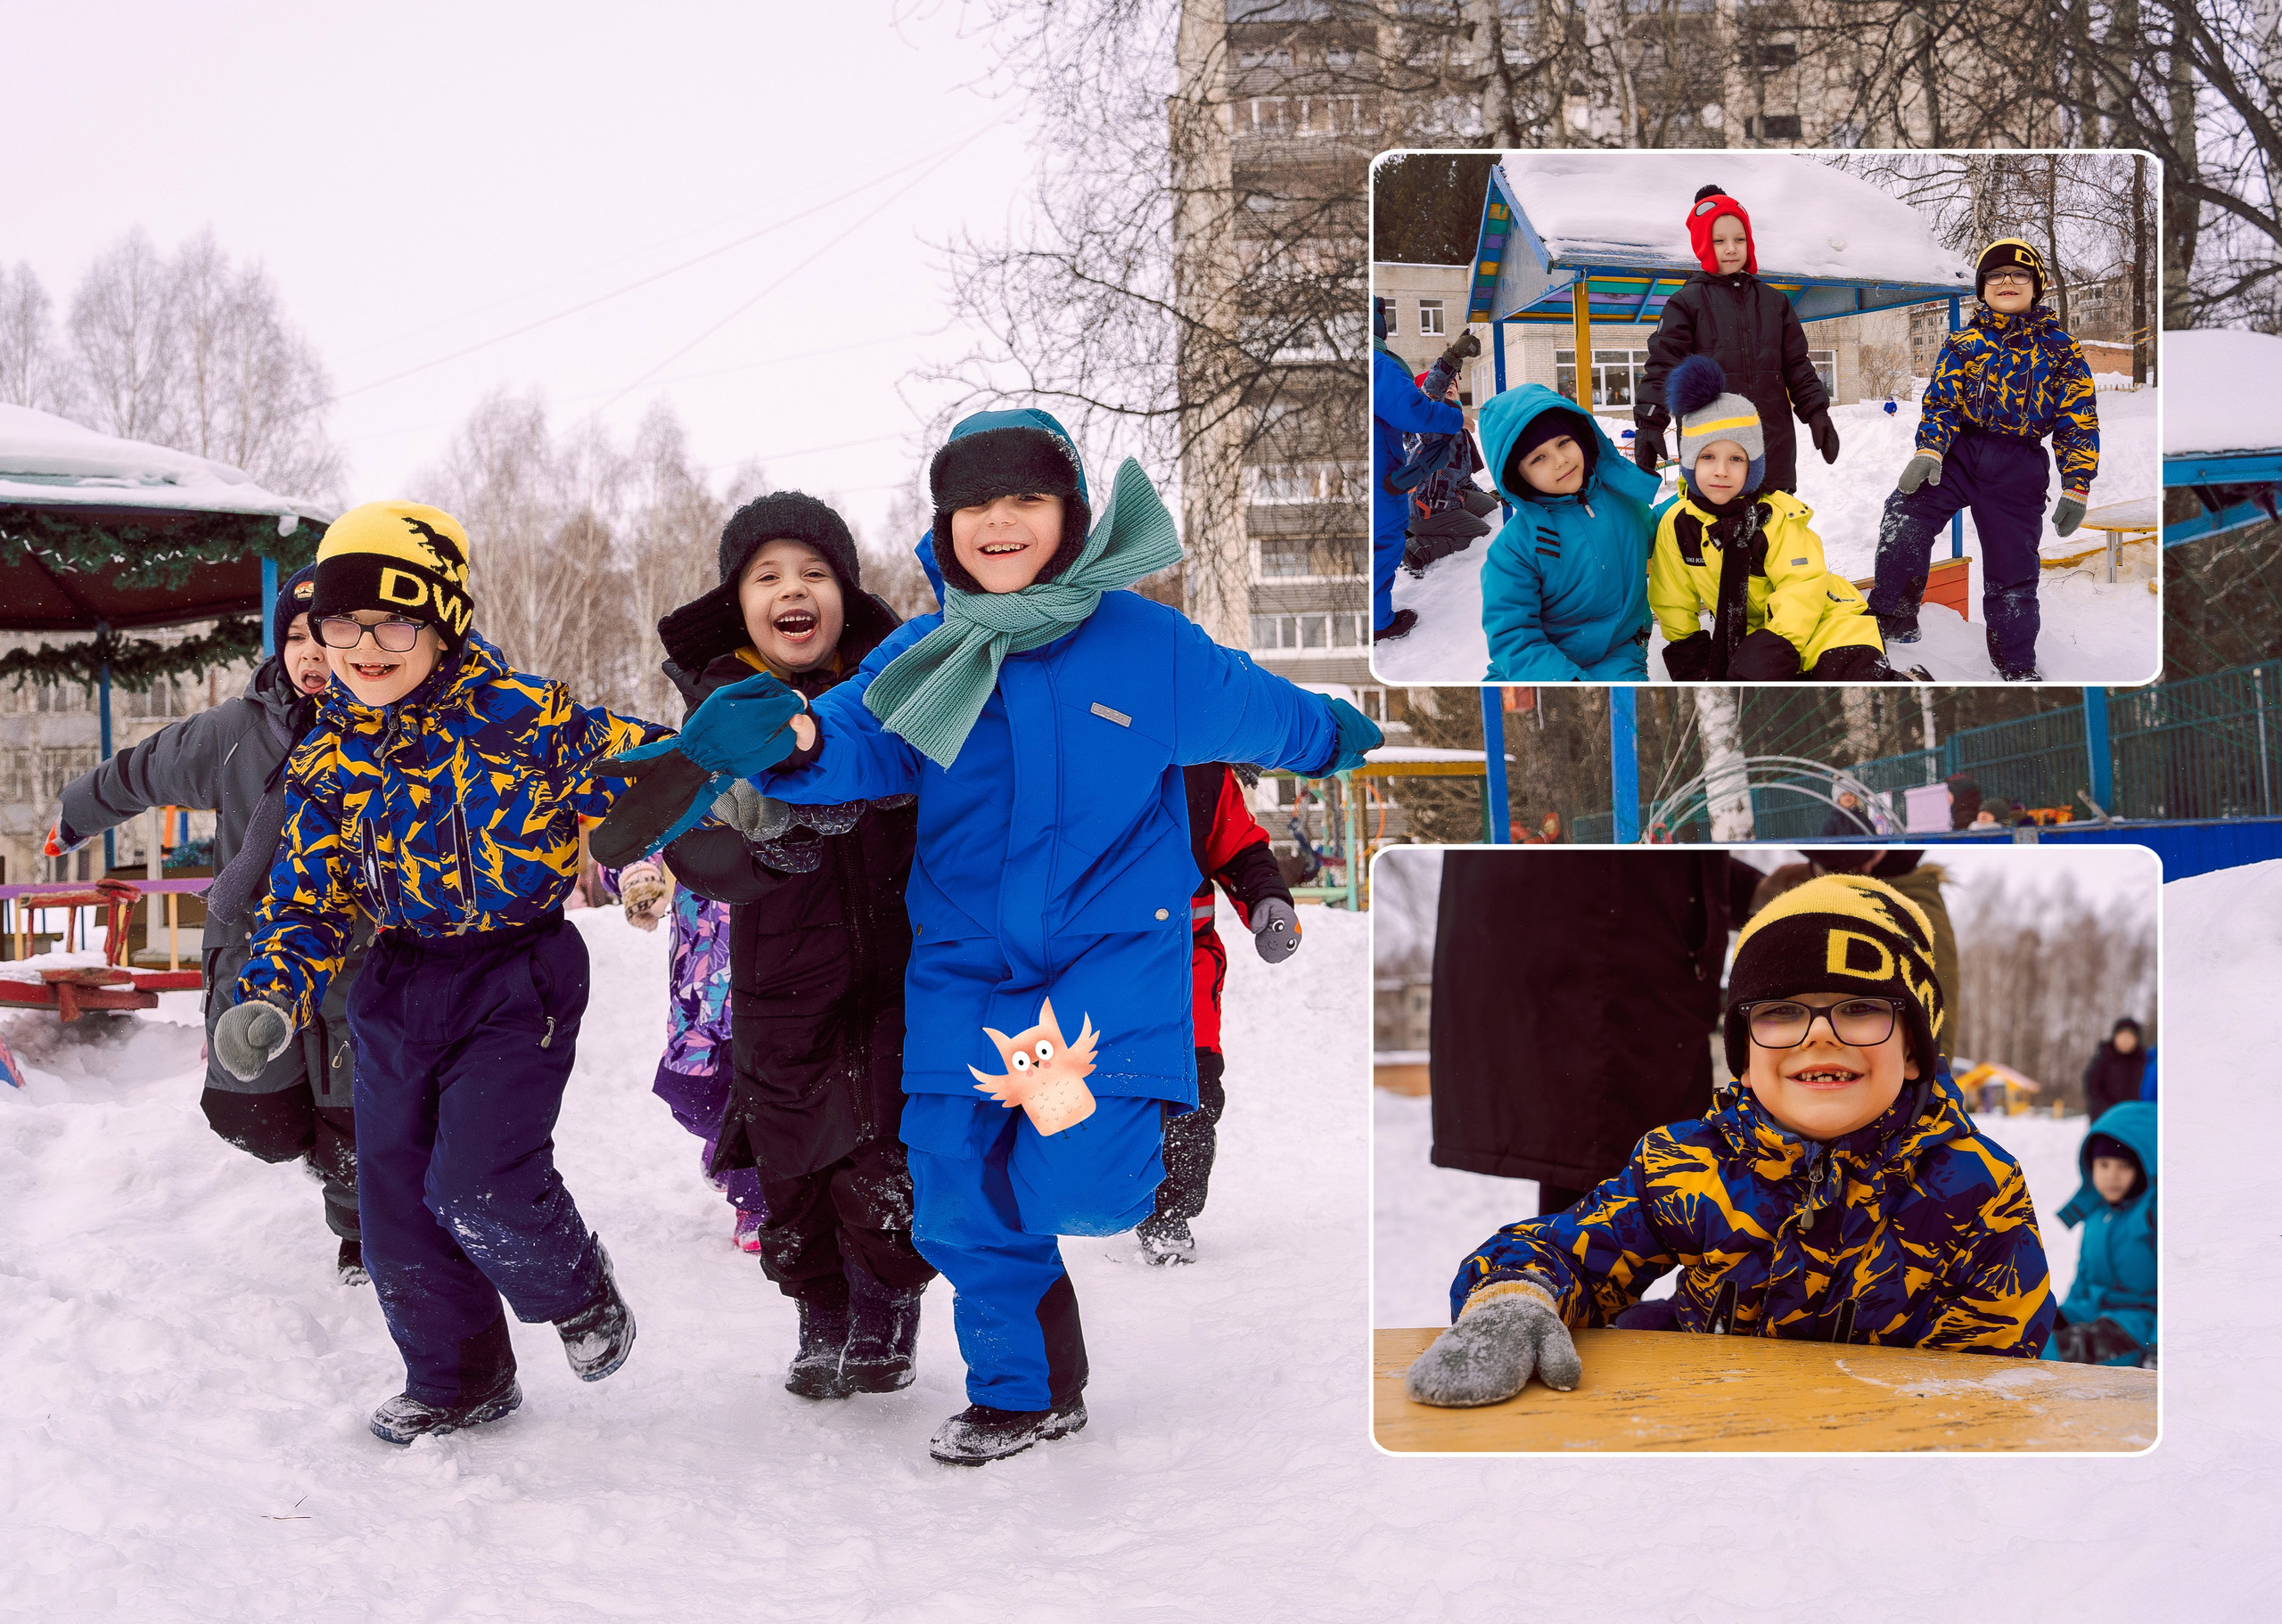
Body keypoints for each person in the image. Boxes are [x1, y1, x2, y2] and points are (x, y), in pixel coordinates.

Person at [595, 409, 1379, 1464]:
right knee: (957, 1204)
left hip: (1091, 975)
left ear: (1070, 518)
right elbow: (860, 747)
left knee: (1082, 1185)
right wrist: (795, 734)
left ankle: (1053, 1252)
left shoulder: (1145, 647)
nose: (997, 523)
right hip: (964, 975)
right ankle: (1024, 1392)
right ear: (946, 526)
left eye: (1024, 502)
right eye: (975, 507)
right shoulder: (928, 653)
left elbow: (1266, 712)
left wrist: (1337, 733)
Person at [213, 501, 660, 1445]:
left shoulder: (528, 717)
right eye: (342, 623)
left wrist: (725, 784)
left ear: (442, 618)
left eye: (394, 620)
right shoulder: (330, 755)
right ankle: (458, 1377)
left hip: (516, 972)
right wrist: (270, 993)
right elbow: (307, 898)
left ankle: (577, 1290)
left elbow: (650, 770)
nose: (365, 644)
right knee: (395, 1200)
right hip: (398, 978)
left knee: (479, 1181)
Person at [1405, 873, 2051, 1407]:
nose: (1818, 1035)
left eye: (1859, 1008)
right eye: (1780, 1012)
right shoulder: (1687, 1165)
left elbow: (1992, 1377)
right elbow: (1564, 1248)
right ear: (1744, 1058)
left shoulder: (1976, 1187)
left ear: (1914, 1051)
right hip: (1709, 1431)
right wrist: (1515, 1297)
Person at [648, 491, 938, 1401]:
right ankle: (819, 1313)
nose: (792, 589)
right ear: (738, 604)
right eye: (767, 575)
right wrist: (752, 847)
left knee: (884, 1167)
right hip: (781, 982)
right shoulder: (721, 717)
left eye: (814, 573)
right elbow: (691, 842)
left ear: (846, 598)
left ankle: (886, 1311)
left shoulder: (899, 695)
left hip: (898, 969)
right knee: (795, 1169)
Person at [49, 565, 371, 1284]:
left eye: (328, 636)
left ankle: (361, 1229)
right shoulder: (238, 731)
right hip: (255, 952)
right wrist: (78, 810)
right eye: (295, 637)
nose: (312, 654)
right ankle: (323, 1154)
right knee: (251, 1110)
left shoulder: (391, 731)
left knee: (354, 1109)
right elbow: (145, 768)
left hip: (359, 958)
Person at [1429, 849, 1762, 1215]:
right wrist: (1829, 868)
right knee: (1613, 1186)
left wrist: (1748, 890)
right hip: (1607, 963)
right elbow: (1625, 836)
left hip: (1593, 951)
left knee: (1606, 1180)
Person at [1868, 238, 2100, 682]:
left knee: (2013, 568)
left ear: (2038, 286)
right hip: (1959, 454)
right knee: (1905, 515)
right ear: (1982, 287)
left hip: (2019, 464)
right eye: (1995, 275)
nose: (2007, 281)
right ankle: (1895, 617)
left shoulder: (2062, 349)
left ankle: (2016, 664)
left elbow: (2079, 419)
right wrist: (1929, 449)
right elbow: (1941, 402)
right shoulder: (1964, 342)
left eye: (2019, 274)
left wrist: (2077, 484)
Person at [1129, 763, 1302, 1266]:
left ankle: (1168, 1215)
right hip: (1093, 968)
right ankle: (1104, 1198)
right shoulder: (1077, 748)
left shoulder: (1202, 771)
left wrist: (1267, 898)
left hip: (1187, 966)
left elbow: (1241, 847)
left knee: (1195, 1096)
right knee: (1110, 1093)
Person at [1648, 357, 1899, 682]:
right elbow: (1673, 596)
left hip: (1823, 621)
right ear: (1689, 462)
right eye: (1707, 457)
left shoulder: (1775, 516)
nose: (1721, 470)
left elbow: (1802, 584)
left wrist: (1775, 643)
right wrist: (1689, 652)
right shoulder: (1679, 524)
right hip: (1754, 634)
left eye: (1736, 459)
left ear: (1753, 467)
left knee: (1846, 680)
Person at [1633, 185, 1840, 496]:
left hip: (1772, 448)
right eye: (1719, 241)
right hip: (1713, 453)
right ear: (1703, 244)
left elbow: (1797, 365)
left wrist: (1817, 412)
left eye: (1739, 239)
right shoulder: (1686, 303)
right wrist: (1650, 422)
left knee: (1774, 538)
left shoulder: (1775, 303)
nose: (1731, 248)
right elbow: (1664, 365)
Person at [593, 857, 749, 1245]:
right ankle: (730, 1142)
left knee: (768, 1095)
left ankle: (759, 1202)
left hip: (768, 968)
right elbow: (642, 821)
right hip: (697, 976)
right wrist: (635, 874)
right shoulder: (704, 792)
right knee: (688, 1089)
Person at [1476, 384, 1661, 681]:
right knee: (1516, 722)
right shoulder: (1515, 548)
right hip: (1539, 668)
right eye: (1538, 458)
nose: (1560, 460)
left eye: (1563, 442)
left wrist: (1695, 501)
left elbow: (1660, 535)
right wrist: (1567, 682)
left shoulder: (1624, 502)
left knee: (1625, 715)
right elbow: (1513, 635)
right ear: (1516, 475)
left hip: (1618, 653)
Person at [1372, 297, 1467, 641]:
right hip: (1387, 484)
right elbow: (1416, 407)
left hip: (1388, 479)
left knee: (1381, 546)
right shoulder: (1376, 364)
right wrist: (1455, 418)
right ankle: (1378, 621)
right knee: (1382, 546)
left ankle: (1377, 617)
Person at [2046, 1101, 2156, 1368]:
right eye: (2104, 1165)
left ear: (2143, 1167)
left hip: (2136, 1324)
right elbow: (2084, 1277)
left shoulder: (2153, 1215)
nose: (2112, 1176)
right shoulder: (2096, 1215)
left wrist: (2158, 1347)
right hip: (2090, 1312)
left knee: (2060, 1355)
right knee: (2033, 1331)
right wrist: (2061, 1316)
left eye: (2124, 1167)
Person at [1398, 357, 1498, 576]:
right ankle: (1415, 549)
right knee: (1482, 533)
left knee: (1490, 506)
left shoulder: (1457, 428)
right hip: (1427, 508)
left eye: (1454, 383)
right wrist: (1449, 363)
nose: (1451, 384)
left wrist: (1481, 495)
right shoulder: (1429, 428)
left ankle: (1423, 529)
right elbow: (1428, 396)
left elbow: (1461, 477)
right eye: (1447, 383)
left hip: (1445, 498)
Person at [2082, 1017, 2148, 1120]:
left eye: (2130, 1036)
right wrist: (2106, 1109)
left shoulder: (2143, 1060)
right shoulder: (2103, 1058)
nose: (2126, 1040)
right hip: (2105, 1117)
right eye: (2122, 1036)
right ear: (2115, 1037)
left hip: (2134, 1118)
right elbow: (2092, 1087)